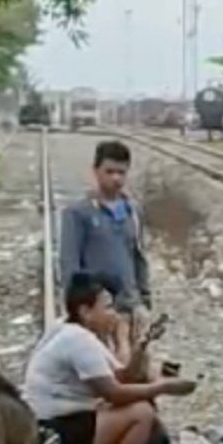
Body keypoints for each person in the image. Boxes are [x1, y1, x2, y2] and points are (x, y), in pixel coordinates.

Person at [25, 273, 195, 444]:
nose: (113, 315)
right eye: (106, 308)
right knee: (141, 412)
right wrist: (165, 387)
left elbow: (122, 376)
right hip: (54, 438)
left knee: (133, 405)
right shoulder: (78, 340)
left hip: (52, 428)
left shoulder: (71, 330)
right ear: (85, 312)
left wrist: (141, 346)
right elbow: (113, 393)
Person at [58, 140, 151, 364]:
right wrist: (79, 311)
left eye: (121, 172)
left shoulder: (133, 211)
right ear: (95, 171)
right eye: (109, 171)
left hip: (128, 307)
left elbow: (139, 256)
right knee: (102, 373)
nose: (116, 178)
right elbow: (69, 263)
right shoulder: (78, 213)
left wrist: (145, 300)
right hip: (96, 312)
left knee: (131, 368)